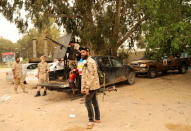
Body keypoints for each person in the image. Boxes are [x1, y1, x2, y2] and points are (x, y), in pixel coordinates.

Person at [81, 47, 101, 129]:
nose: (81, 54)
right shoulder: (87, 61)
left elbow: (91, 76)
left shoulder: (90, 62)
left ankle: (91, 120)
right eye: (81, 52)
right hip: (93, 85)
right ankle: (97, 118)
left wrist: (87, 88)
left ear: (88, 53)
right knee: (94, 101)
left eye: (83, 52)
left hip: (91, 86)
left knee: (87, 102)